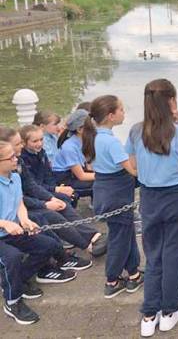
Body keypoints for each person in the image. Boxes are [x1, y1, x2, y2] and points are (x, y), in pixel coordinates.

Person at [125, 79, 178, 337]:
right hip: (177, 196)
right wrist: (176, 119)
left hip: (149, 197)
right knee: (174, 253)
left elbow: (132, 166)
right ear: (171, 101)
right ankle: (169, 311)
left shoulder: (135, 131)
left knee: (153, 254)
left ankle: (148, 315)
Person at [82, 95, 143, 299]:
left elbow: (91, 165)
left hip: (103, 189)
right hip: (117, 194)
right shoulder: (111, 142)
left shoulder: (92, 137)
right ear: (110, 116)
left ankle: (133, 273)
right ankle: (112, 280)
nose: (124, 113)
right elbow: (133, 171)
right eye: (121, 110)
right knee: (119, 240)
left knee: (125, 234)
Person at [11, 126, 105, 259]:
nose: (39, 143)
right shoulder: (20, 162)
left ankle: (90, 236)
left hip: (36, 195)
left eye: (41, 139)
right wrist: (45, 203)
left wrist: (52, 195)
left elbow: (36, 183)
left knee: (63, 202)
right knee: (52, 214)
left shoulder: (31, 156)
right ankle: (85, 244)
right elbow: (21, 195)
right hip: (24, 206)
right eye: (18, 143)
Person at [0, 141, 64, 325]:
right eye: (11, 157)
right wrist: (4, 223)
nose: (16, 159)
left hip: (14, 232)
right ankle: (13, 302)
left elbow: (19, 203)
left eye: (15, 155)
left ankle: (17, 281)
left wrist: (25, 220)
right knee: (12, 257)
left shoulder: (15, 177)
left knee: (49, 245)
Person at [52, 109, 94, 199]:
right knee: (101, 183)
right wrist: (104, 175)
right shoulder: (69, 147)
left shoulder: (82, 141)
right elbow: (81, 176)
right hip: (64, 179)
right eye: (90, 126)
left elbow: (88, 164)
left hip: (73, 174)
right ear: (79, 129)